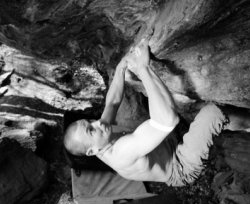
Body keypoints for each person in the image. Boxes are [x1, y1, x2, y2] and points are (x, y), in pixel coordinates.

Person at [64, 39, 250, 187]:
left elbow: (112, 102)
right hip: (180, 166)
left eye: (90, 121)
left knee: (201, 115)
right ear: (92, 151)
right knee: (211, 113)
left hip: (166, 144)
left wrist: (120, 68)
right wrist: (143, 69)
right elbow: (168, 121)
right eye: (91, 130)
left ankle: (235, 125)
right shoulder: (120, 152)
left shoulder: (100, 135)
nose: (98, 123)